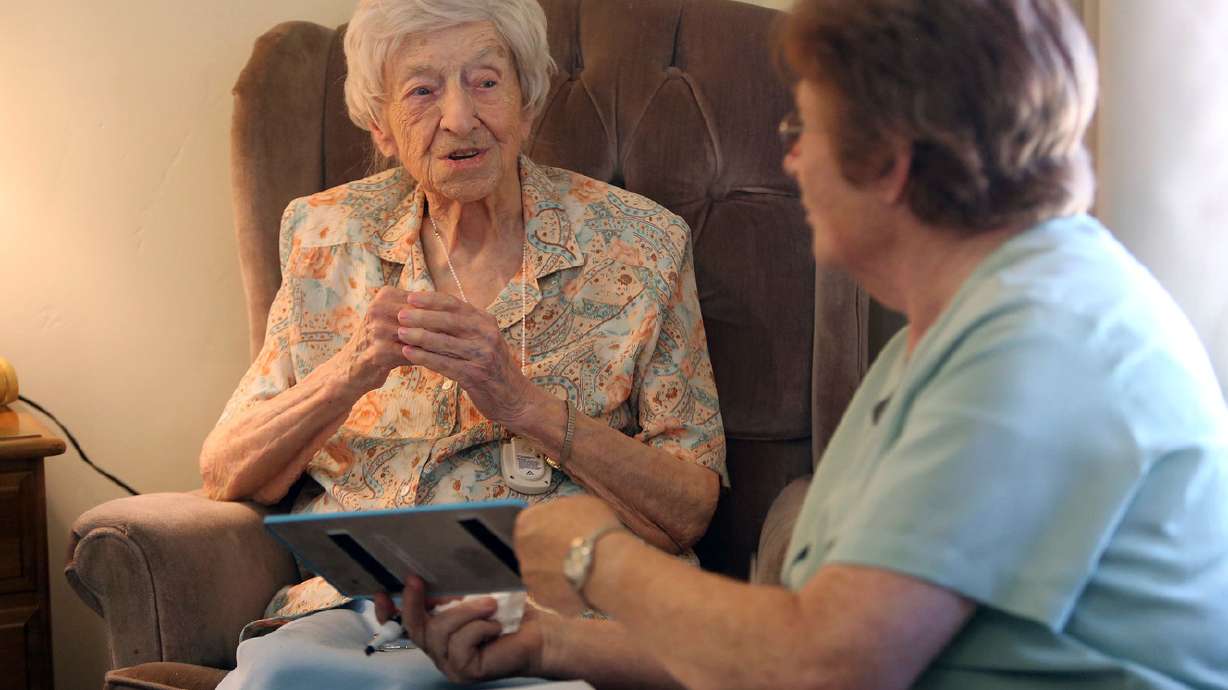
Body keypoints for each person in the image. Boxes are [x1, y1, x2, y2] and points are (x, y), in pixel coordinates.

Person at [386, 0, 1228, 687]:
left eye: (804, 131)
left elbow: (828, 663)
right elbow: (779, 646)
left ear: (889, 160)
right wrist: (550, 646)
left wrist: (585, 551)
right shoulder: (954, 330)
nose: (792, 163)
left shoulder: (1041, 342)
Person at [205, 0, 725, 685]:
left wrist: (525, 406)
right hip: (367, 615)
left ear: (526, 102)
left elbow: (689, 509)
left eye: (485, 81)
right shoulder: (327, 236)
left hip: (563, 619)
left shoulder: (643, 244)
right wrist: (352, 369)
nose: (459, 117)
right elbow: (226, 471)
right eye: (422, 91)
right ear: (380, 128)